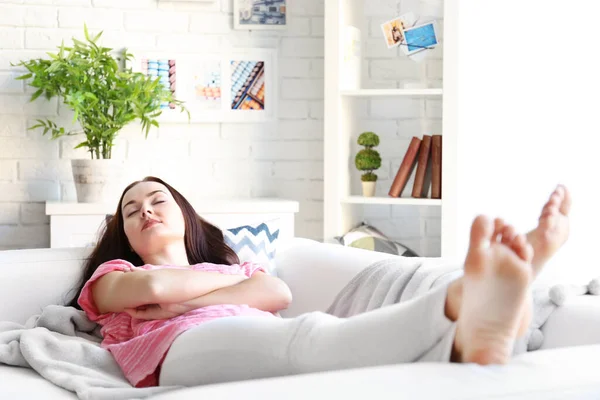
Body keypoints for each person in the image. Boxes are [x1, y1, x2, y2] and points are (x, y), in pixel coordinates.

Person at [65, 176, 571, 388]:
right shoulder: (117, 275)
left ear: (185, 216)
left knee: (306, 337)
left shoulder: (232, 265)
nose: (146, 211)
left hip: (231, 329)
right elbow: (153, 291)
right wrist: (212, 299)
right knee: (306, 340)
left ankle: (472, 328)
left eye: (158, 201)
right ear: (126, 236)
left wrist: (183, 301)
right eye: (132, 211)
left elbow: (276, 294)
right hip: (177, 350)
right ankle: (460, 300)